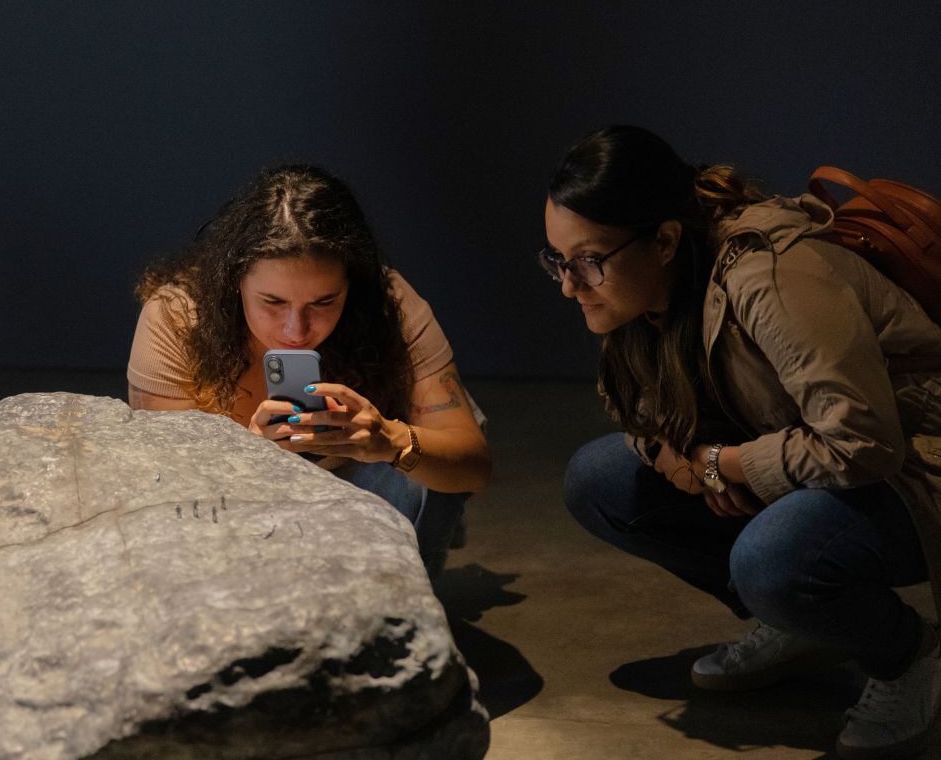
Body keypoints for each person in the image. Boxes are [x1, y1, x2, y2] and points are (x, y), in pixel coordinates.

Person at [548, 126, 941, 759]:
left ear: (666, 240)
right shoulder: (640, 297)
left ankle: (909, 653)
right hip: (807, 457)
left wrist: (722, 462)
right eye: (557, 261)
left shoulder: (773, 274)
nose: (569, 284)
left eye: (588, 261)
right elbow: (639, 412)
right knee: (599, 478)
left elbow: (865, 441)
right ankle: (797, 622)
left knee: (771, 558)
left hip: (915, 465)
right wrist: (680, 460)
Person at [127, 164, 490, 577]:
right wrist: (249, 458)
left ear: (352, 286)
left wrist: (389, 439)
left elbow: (473, 466)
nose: (295, 331)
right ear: (235, 281)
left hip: (361, 491)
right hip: (235, 517)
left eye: (323, 303)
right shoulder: (177, 318)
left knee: (426, 466)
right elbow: (161, 492)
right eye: (273, 302)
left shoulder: (389, 305)